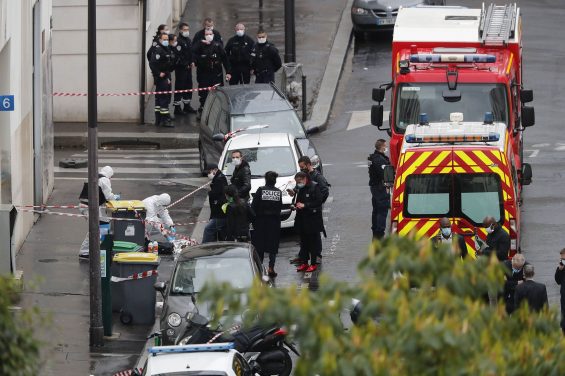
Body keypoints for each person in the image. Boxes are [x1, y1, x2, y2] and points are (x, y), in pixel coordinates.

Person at [78, 166, 120, 259]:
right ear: (109, 175)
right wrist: (115, 197)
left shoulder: (93, 176)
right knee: (97, 228)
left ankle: (99, 249)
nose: (110, 179)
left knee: (102, 225)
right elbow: (108, 196)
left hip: (86, 206)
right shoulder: (105, 179)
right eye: (111, 177)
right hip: (90, 207)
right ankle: (85, 252)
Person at [252, 171, 283, 277]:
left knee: (260, 245)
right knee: (273, 247)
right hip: (274, 223)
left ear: (266, 179)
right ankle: (271, 268)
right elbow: (279, 208)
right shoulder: (278, 192)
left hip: (260, 222)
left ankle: (260, 269)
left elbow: (253, 207)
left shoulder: (260, 190)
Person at [292, 172, 324, 273]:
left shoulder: (314, 187)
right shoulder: (300, 188)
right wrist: (295, 205)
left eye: (299, 181)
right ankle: (304, 263)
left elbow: (319, 202)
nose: (298, 184)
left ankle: (313, 264)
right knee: (304, 243)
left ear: (305, 179)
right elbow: (298, 201)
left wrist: (305, 205)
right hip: (302, 219)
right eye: (297, 182)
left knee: (312, 243)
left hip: (312, 220)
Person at [193, 28, 231, 110]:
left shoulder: (218, 46)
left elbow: (225, 59)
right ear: (204, 36)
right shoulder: (200, 45)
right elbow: (192, 53)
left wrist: (228, 72)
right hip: (203, 74)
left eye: (210, 34)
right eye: (207, 34)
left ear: (213, 35)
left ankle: (217, 109)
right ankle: (203, 108)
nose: (208, 36)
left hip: (216, 74)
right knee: (203, 93)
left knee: (218, 92)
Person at [149, 32, 175, 127]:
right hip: (161, 78)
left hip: (166, 76)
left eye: (167, 39)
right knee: (163, 98)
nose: (166, 41)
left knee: (160, 99)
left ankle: (159, 119)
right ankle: (164, 120)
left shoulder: (166, 49)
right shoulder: (159, 50)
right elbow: (152, 63)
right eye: (164, 39)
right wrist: (158, 73)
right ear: (160, 40)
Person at [368, 139, 390, 239]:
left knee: (376, 210)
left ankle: (375, 231)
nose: (386, 148)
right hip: (380, 188)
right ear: (382, 147)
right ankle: (380, 233)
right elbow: (385, 175)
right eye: (385, 146)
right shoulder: (380, 160)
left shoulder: (373, 157)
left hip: (374, 187)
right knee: (382, 210)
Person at [173, 23, 196, 115]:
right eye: (185, 30)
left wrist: (192, 61)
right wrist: (185, 64)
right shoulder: (178, 42)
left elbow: (191, 53)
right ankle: (177, 108)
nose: (187, 31)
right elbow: (178, 56)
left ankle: (187, 105)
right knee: (180, 86)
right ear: (180, 30)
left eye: (187, 29)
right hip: (181, 69)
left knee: (188, 85)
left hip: (188, 68)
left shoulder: (188, 40)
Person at [202, 163, 228, 243]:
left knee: (208, 229)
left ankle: (204, 247)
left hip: (219, 213)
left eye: (209, 172)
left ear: (215, 170)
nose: (208, 174)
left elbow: (216, 194)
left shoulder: (219, 179)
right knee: (217, 233)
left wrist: (210, 191)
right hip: (217, 211)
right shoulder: (217, 178)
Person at [554, 249, 565, 333]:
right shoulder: (561, 268)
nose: (562, 261)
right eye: (561, 259)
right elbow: (558, 281)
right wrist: (559, 270)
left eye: (564, 259)